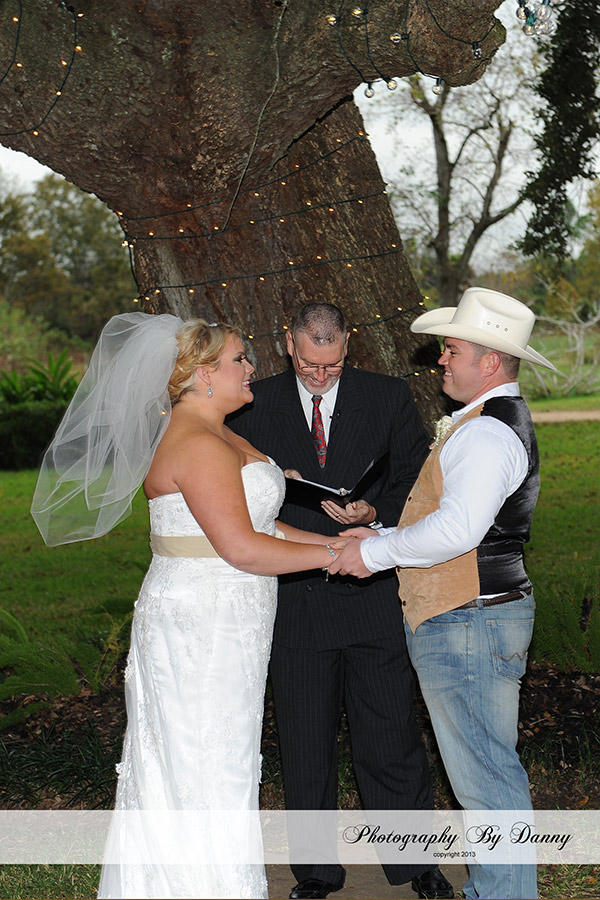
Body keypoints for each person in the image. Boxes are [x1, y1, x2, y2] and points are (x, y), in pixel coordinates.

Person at [31, 312, 346, 900]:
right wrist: (338, 556)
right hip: (204, 621)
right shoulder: (199, 443)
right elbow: (242, 548)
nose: (251, 367)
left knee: (219, 755)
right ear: (203, 374)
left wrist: (345, 542)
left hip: (231, 613)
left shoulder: (222, 433)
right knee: (205, 762)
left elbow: (262, 524)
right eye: (238, 359)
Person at [329, 287, 557, 900]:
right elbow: (461, 520)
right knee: (486, 772)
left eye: (452, 350)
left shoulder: (485, 434)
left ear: (490, 361)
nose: (441, 360)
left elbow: (458, 531)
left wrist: (372, 555)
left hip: (467, 620)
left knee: (485, 778)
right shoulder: (491, 423)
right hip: (476, 615)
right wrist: (382, 534)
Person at [229, 302, 454, 900]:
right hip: (295, 597)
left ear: (347, 345)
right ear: (289, 344)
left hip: (373, 591)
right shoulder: (252, 403)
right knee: (304, 742)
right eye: (309, 364)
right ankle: (315, 872)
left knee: (391, 735)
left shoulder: (387, 396)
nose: (319, 375)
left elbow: (417, 478)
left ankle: (415, 864)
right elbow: (232, 494)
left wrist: (375, 511)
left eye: (330, 365)